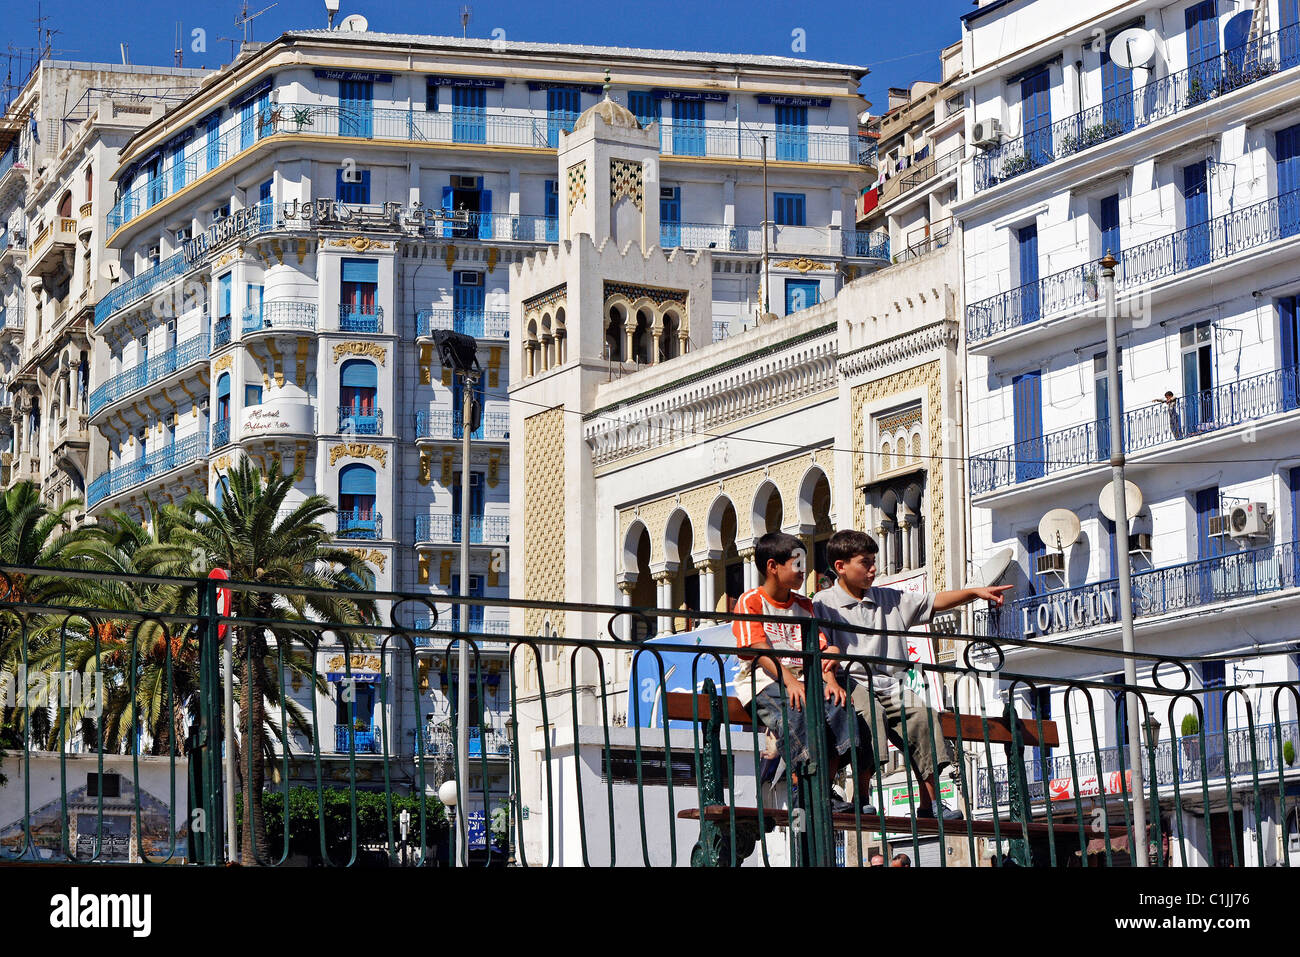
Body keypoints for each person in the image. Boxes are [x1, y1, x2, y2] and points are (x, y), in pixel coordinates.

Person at [813, 529, 1013, 821]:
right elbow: (822, 650)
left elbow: (933, 602)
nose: (873, 569)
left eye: (873, 561)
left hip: (890, 683)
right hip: (851, 679)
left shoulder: (888, 598)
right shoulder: (824, 603)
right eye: (865, 562)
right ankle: (862, 795)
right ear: (841, 567)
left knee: (924, 717)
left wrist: (973, 592)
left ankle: (929, 804)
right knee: (869, 714)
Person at [732, 531, 874, 815]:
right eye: (797, 564)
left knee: (839, 706)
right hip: (765, 680)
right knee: (796, 712)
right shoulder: (751, 601)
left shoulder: (804, 606)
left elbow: (819, 649)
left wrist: (831, 680)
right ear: (773, 566)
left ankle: (830, 787)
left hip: (804, 679)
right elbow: (757, 649)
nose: (803, 570)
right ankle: (803, 788)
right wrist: (789, 680)